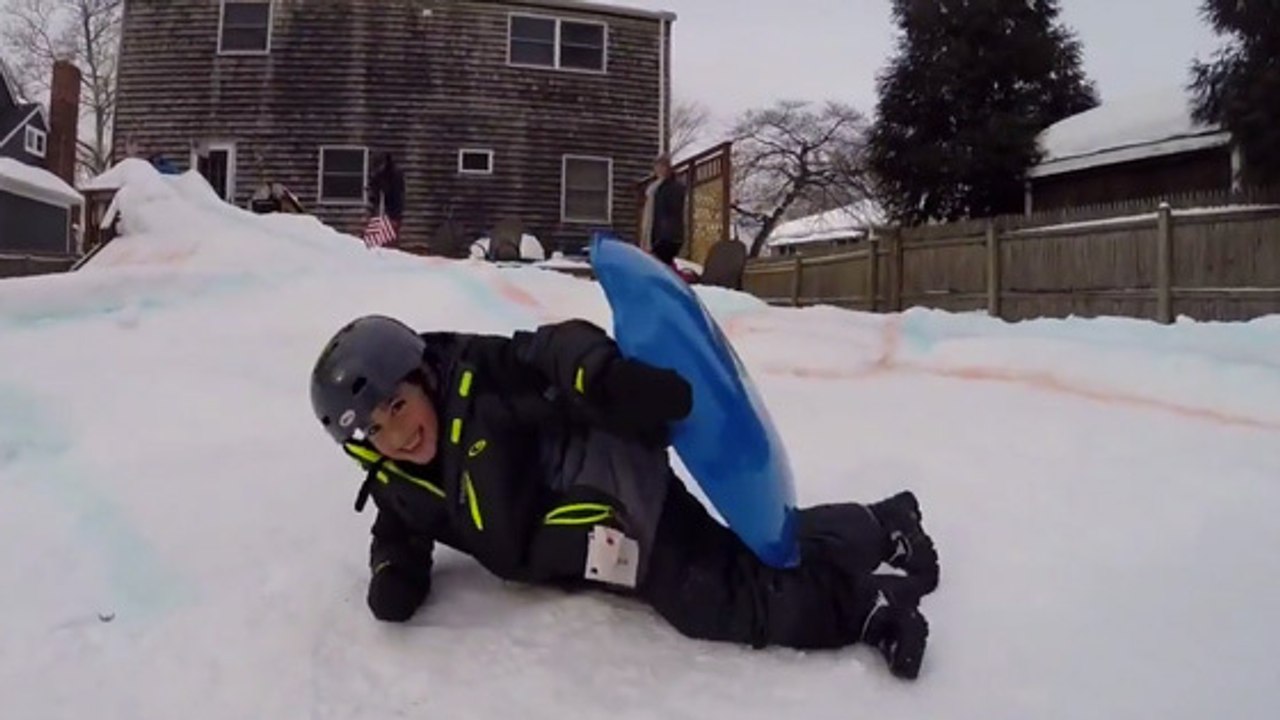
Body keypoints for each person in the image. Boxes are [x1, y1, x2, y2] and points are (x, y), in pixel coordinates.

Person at [309, 315, 939, 679]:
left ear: (424, 376)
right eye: (375, 429)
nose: (397, 434)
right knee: (749, 552)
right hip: (581, 542)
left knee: (717, 596)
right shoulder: (397, 478)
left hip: (617, 496)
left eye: (398, 406)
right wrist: (393, 570)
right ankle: (883, 524)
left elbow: (549, 352)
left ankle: (868, 609)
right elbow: (400, 524)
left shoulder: (483, 383)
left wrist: (601, 376)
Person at [640, 153, 686, 267]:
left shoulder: (673, 187)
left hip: (667, 237)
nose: (658, 170)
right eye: (657, 167)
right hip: (658, 236)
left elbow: (673, 211)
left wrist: (661, 236)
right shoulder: (655, 188)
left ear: (668, 168)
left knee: (661, 265)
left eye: (661, 166)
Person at [367, 152, 406, 236]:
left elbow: (397, 196)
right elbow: (373, 190)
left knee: (390, 235)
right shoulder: (378, 175)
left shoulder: (395, 175)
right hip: (380, 210)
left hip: (392, 210)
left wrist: (394, 215)